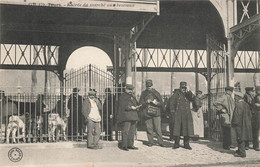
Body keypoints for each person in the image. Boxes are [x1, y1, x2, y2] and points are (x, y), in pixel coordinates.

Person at [168, 81, 195, 150]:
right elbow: (171, 104)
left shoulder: (188, 94)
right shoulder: (176, 94)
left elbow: (194, 99)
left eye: (184, 88)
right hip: (178, 115)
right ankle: (176, 144)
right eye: (182, 87)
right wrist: (172, 113)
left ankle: (186, 144)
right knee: (177, 130)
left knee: (187, 130)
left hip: (187, 115)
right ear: (180, 87)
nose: (183, 89)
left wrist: (189, 92)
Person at [139, 79, 165, 147]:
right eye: (148, 86)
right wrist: (146, 102)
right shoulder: (143, 93)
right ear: (146, 86)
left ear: (152, 85)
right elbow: (140, 104)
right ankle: (150, 141)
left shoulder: (156, 93)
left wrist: (156, 103)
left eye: (150, 86)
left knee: (158, 128)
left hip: (156, 113)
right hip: (147, 113)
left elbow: (161, 104)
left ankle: (160, 142)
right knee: (149, 128)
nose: (149, 88)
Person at [117, 84, 140, 151]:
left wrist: (138, 107)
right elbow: (122, 106)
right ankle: (124, 145)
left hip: (133, 115)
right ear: (125, 89)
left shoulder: (132, 96)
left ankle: (130, 144)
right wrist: (130, 107)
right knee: (125, 131)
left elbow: (136, 103)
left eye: (131, 89)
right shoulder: (123, 96)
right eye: (129, 89)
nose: (130, 91)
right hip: (126, 116)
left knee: (132, 132)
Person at [232, 92, 252, 157]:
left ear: (238, 97)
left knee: (240, 137)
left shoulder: (238, 105)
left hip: (240, 124)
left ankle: (242, 153)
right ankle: (240, 150)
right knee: (243, 137)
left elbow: (236, 115)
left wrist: (234, 123)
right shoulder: (246, 104)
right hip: (246, 123)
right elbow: (250, 115)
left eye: (235, 97)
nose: (235, 98)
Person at [251, 86, 260, 151]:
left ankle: (256, 145)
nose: (256, 91)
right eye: (256, 90)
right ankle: (256, 145)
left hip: (258, 115)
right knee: (255, 130)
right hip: (256, 116)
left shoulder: (257, 97)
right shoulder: (255, 97)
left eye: (257, 90)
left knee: (256, 130)